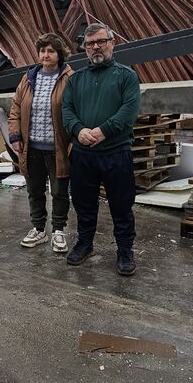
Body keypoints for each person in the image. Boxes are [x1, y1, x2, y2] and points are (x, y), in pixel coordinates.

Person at [61, 23, 141, 275]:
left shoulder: (126, 76)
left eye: (100, 41)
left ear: (112, 43)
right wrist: (78, 130)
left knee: (121, 205)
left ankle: (125, 250)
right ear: (85, 48)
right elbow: (67, 110)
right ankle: (85, 243)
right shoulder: (76, 79)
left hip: (116, 153)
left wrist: (102, 131)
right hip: (83, 155)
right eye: (90, 43)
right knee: (83, 204)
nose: (95, 47)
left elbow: (128, 111)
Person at [7, 33, 74, 253]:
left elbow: (77, 110)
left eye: (51, 51)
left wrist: (74, 141)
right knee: (34, 191)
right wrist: (16, 137)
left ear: (59, 54)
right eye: (43, 51)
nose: (46, 55)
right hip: (32, 148)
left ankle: (58, 231)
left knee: (59, 192)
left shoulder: (69, 78)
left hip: (58, 149)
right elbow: (16, 109)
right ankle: (38, 229)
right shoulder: (28, 79)